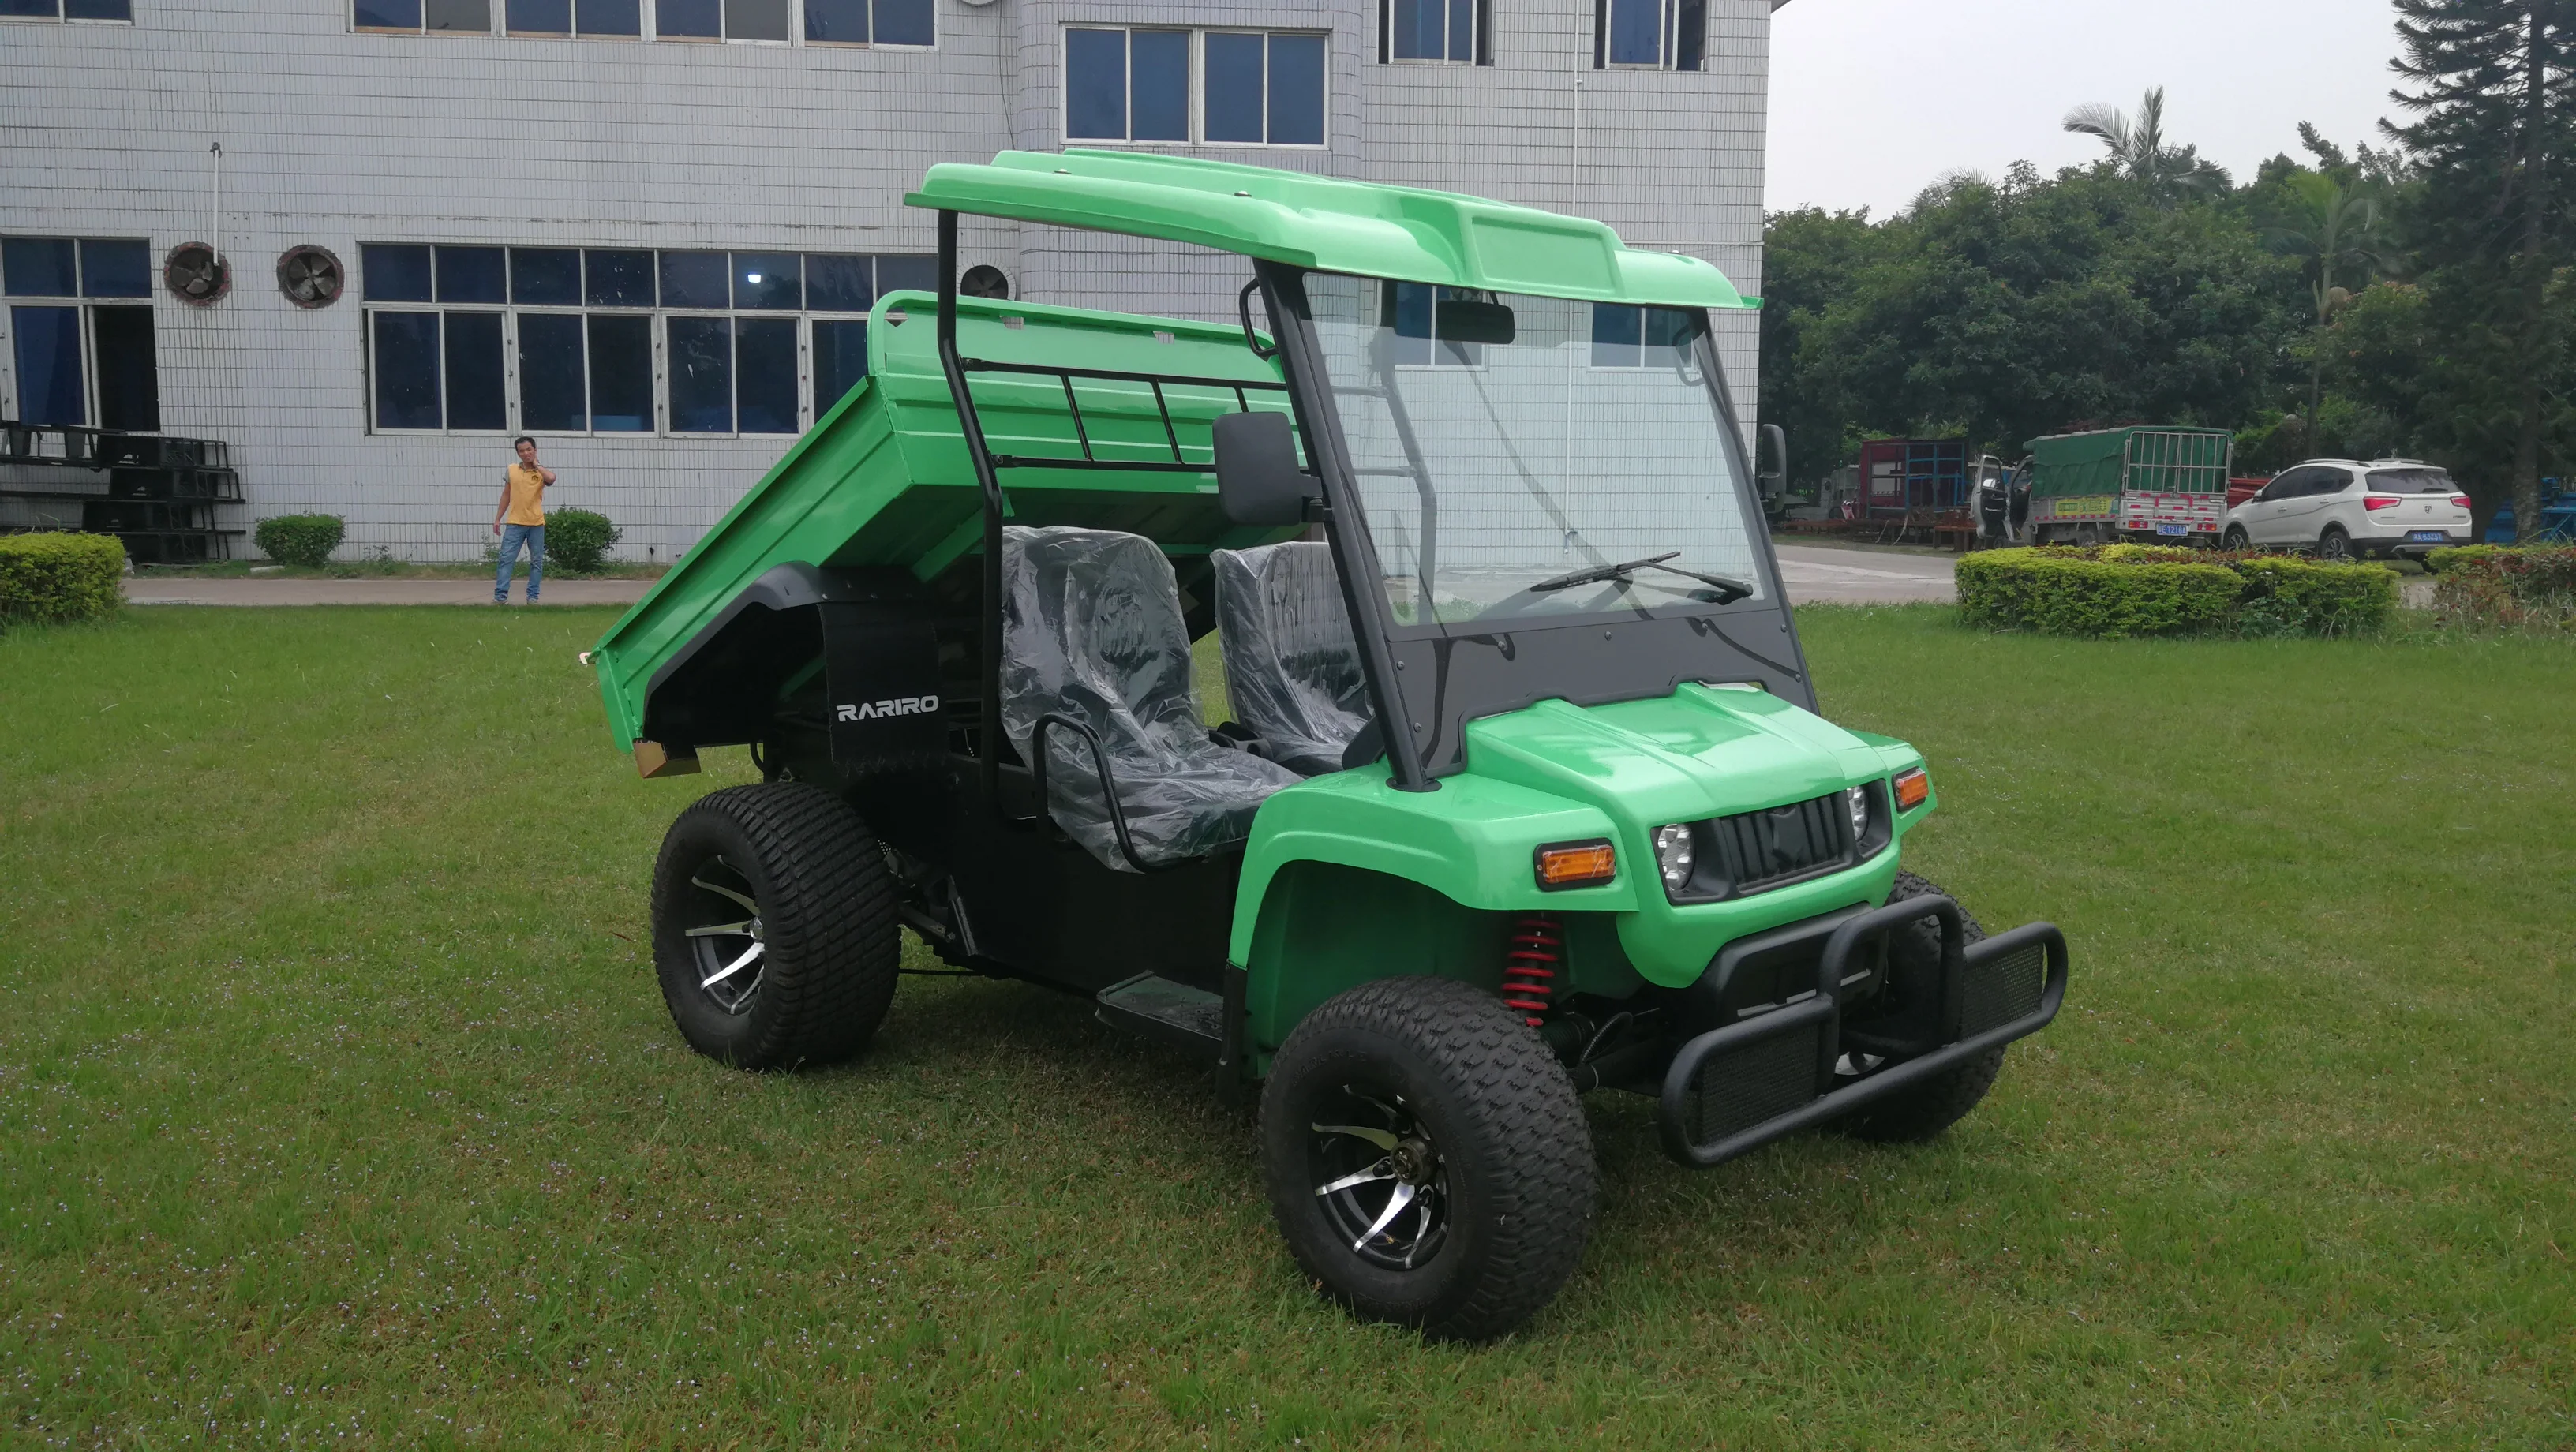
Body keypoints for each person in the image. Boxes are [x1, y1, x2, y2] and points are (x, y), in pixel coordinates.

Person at [492, 436, 556, 604]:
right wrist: (498, 518)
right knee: (506, 559)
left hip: (536, 523)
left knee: (536, 561)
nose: (526, 453)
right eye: (522, 451)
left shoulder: (540, 472)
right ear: (518, 453)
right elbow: (506, 494)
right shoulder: (512, 470)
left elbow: (552, 478)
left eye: (529, 449)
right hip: (515, 523)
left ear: (535, 450)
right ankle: (500, 597)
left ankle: (533, 597)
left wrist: (537, 465)